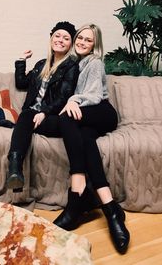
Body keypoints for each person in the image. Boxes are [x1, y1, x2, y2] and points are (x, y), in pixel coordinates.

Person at [53, 24, 130, 254]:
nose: (83, 42)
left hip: (102, 112)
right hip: (88, 117)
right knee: (86, 138)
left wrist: (73, 101)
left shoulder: (94, 62)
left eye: (88, 40)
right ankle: (110, 207)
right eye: (80, 38)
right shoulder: (73, 63)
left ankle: (77, 195)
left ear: (95, 45)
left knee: (67, 118)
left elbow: (95, 95)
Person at [6, 21, 79, 191]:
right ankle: (15, 172)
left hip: (54, 117)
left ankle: (16, 166)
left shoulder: (71, 66)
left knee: (25, 119)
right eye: (57, 36)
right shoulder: (41, 65)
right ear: (51, 39)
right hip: (32, 115)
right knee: (26, 115)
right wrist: (21, 61)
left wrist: (44, 112)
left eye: (66, 38)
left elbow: (64, 96)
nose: (60, 40)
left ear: (71, 44)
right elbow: (21, 82)